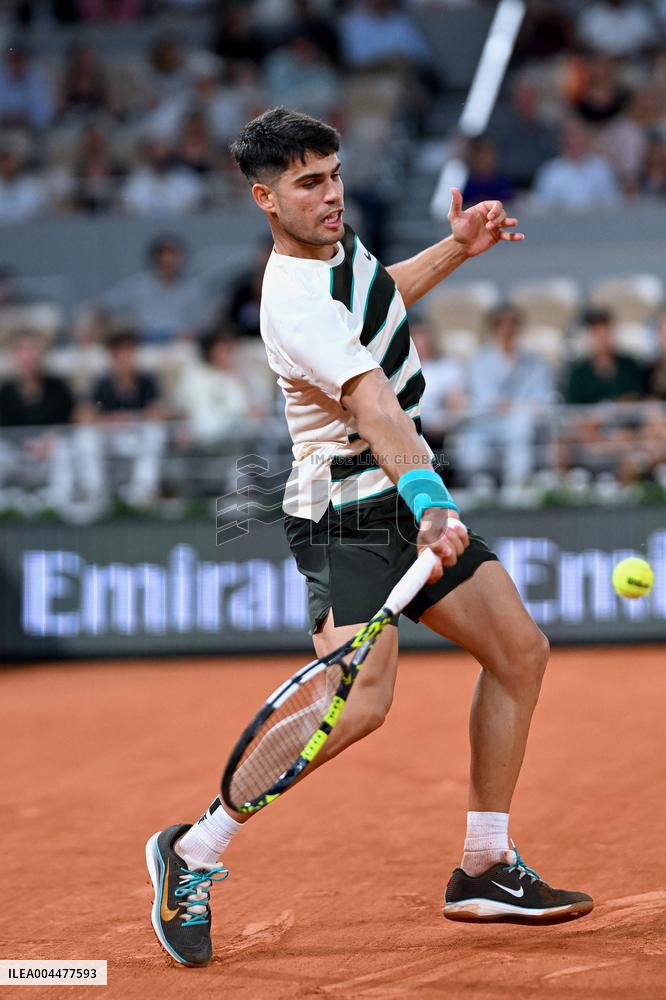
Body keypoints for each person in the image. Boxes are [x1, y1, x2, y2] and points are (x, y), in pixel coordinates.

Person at [145, 108, 593, 969]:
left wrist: (458, 246)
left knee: (519, 652)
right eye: (308, 183)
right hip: (345, 514)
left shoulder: (334, 255)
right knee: (356, 705)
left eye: (335, 173)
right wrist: (429, 500)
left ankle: (485, 864)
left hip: (397, 494)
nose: (331, 194)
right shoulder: (292, 301)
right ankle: (192, 850)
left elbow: (376, 295)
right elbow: (378, 408)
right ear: (264, 198)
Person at [456, 305, 556, 488]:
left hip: (524, 424)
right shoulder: (480, 360)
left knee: (521, 424)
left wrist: (514, 408)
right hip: (487, 424)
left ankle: (517, 486)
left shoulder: (535, 362)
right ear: (493, 328)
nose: (507, 329)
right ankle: (479, 486)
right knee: (470, 446)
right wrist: (515, 406)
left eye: (512, 323)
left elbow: (543, 400)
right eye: (500, 324)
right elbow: (485, 400)